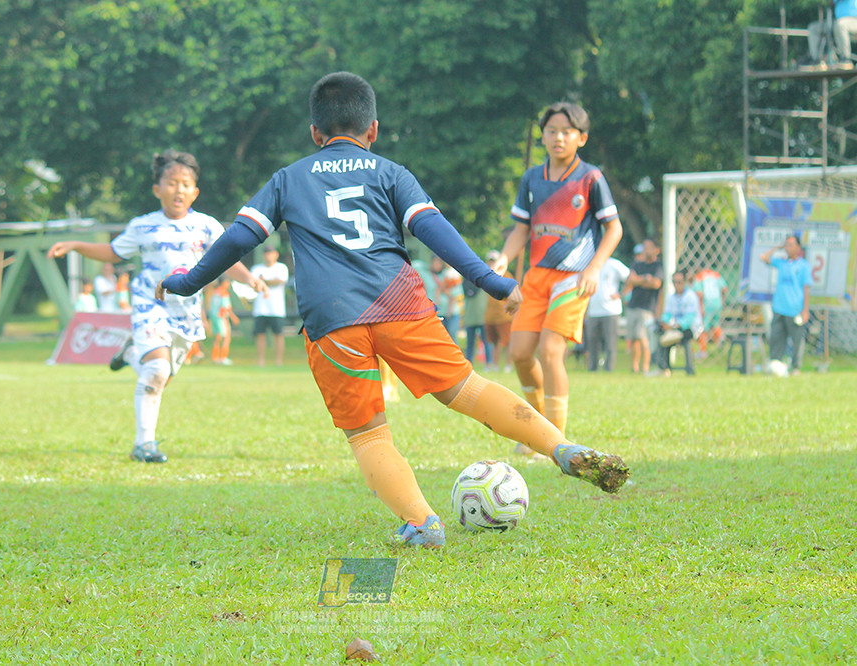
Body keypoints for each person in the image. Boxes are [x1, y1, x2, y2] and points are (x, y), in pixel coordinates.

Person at [159, 72, 629, 548]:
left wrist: (186, 283)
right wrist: (492, 281)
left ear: (315, 133)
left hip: (332, 318)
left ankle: (423, 523)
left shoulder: (288, 178)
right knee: (467, 389)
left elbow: (240, 236)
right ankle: (561, 446)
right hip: (400, 304)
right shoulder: (390, 172)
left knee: (368, 435)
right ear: (373, 130)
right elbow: (434, 230)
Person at [48, 149, 262, 463]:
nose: (179, 189)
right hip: (151, 303)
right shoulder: (143, 226)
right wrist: (77, 245)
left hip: (186, 311)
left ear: (195, 192)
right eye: (172, 183)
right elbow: (112, 252)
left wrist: (249, 279)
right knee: (157, 370)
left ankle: (130, 353)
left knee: (162, 377)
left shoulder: (206, 226)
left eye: (186, 184)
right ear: (157, 190)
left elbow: (226, 260)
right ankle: (143, 445)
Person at [492, 102, 624, 436]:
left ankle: (555, 437)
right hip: (536, 278)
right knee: (520, 354)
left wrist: (593, 269)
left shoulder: (590, 177)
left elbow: (614, 228)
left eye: (567, 132)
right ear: (543, 136)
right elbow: (521, 228)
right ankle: (536, 427)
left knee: (551, 351)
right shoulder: (532, 178)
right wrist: (505, 259)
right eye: (551, 131)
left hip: (573, 279)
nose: (558, 138)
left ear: (582, 137)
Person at [761, 234, 812, 374]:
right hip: (779, 308)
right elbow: (764, 258)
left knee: (797, 340)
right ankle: (775, 365)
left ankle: (796, 367)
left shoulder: (803, 266)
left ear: (798, 247)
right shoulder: (782, 263)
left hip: (795, 309)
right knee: (776, 338)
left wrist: (805, 310)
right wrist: (777, 248)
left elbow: (806, 290)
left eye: (791, 245)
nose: (788, 248)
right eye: (786, 245)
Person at [584, 257, 630, 372]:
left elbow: (630, 278)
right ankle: (592, 368)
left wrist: (621, 293)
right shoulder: (588, 263)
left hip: (611, 310)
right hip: (593, 311)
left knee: (610, 342)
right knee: (592, 341)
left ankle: (609, 368)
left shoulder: (614, 264)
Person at [625, 239, 663, 374]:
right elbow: (630, 280)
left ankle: (645, 367)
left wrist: (638, 281)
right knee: (633, 338)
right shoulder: (637, 264)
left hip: (647, 308)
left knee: (643, 338)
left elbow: (656, 284)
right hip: (633, 305)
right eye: (644, 248)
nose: (646, 250)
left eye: (649, 247)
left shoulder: (658, 266)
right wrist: (646, 279)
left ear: (655, 250)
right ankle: (634, 367)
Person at [655, 270, 702, 376]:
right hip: (676, 328)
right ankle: (664, 368)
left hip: (691, 328)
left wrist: (672, 326)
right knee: (661, 335)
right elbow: (667, 314)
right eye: (674, 282)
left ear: (685, 282)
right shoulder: (671, 298)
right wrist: (662, 322)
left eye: (679, 282)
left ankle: (689, 370)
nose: (676, 285)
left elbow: (689, 319)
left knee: (675, 336)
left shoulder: (691, 296)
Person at [250, 244, 289, 366]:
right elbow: (254, 284)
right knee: (260, 335)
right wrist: (265, 282)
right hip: (260, 308)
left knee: (278, 334)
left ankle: (279, 360)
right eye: (266, 253)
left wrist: (264, 281)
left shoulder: (281, 268)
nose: (268, 255)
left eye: (271, 253)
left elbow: (279, 281)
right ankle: (261, 360)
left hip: (276, 308)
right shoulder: (256, 268)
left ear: (276, 254)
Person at [483, 250, 514, 373]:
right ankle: (494, 365)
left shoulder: (506, 275)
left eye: (493, 261)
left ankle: (508, 365)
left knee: (507, 341)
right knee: (494, 342)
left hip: (504, 315)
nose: (491, 263)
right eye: (489, 261)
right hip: (490, 316)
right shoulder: (484, 276)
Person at [691, 265, 728, 357]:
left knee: (703, 327)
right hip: (717, 302)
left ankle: (703, 351)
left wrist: (701, 308)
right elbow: (724, 288)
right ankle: (720, 337)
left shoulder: (699, 276)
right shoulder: (716, 275)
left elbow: (699, 294)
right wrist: (723, 300)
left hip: (706, 304)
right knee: (715, 324)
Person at [461, 261, 493, 369]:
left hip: (481, 317)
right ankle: (469, 364)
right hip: (471, 317)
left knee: (485, 341)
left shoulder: (483, 281)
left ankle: (488, 364)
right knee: (470, 343)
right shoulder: (466, 282)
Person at [807, 0, 857, 67]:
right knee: (813, 28)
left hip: (853, 20)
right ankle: (817, 61)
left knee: (841, 25)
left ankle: (845, 59)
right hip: (837, 23)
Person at [429, 255, 464, 341]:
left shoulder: (450, 274)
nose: (437, 265)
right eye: (435, 262)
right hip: (439, 312)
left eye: (439, 263)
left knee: (452, 337)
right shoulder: (429, 275)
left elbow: (456, 293)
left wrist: (446, 291)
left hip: (452, 312)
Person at [208, 275, 240, 365]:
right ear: (224, 283)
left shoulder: (215, 292)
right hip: (221, 317)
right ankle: (223, 357)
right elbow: (226, 308)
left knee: (217, 338)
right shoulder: (224, 293)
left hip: (214, 317)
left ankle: (215, 357)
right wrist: (233, 318)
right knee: (226, 338)